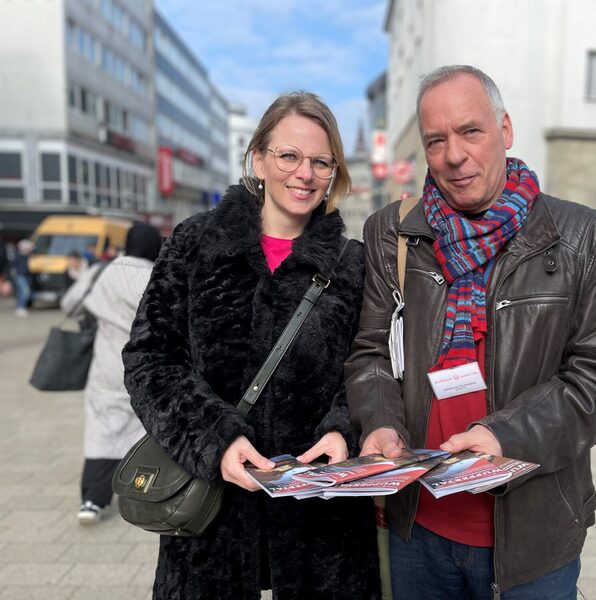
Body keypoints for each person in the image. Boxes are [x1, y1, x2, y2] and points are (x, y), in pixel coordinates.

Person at [345, 65, 596, 599]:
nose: (454, 155)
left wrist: (509, 435)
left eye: (470, 132)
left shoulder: (581, 238)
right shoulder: (393, 233)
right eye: (436, 140)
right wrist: (380, 424)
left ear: (505, 131)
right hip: (420, 528)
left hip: (534, 537)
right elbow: (370, 353)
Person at [122, 91, 380, 600]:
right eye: (289, 155)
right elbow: (149, 358)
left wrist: (343, 430)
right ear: (258, 158)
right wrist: (215, 439)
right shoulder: (195, 244)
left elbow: (371, 363)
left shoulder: (352, 263)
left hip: (321, 529)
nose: (304, 174)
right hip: (212, 523)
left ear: (334, 173)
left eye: (321, 162)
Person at [61, 223, 162, 525]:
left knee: (102, 430)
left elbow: (69, 305)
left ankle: (92, 501)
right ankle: (147, 491)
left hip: (106, 365)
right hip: (146, 365)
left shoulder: (100, 272)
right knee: (147, 430)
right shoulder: (157, 276)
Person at [11, 238, 33, 316]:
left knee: (22, 292)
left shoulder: (29, 256)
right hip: (20, 275)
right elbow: (14, 266)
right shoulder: (18, 255)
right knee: (25, 291)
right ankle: (21, 307)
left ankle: (20, 307)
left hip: (27, 276)